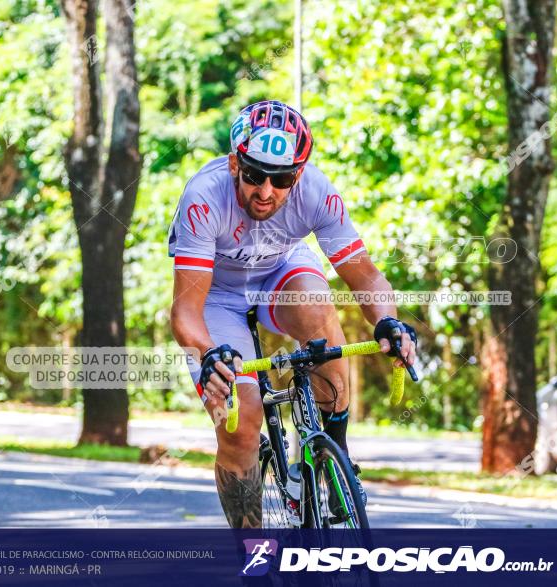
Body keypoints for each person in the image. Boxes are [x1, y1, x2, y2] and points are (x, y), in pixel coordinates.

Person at [168, 100, 418, 528]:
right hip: (218, 296)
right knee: (241, 426)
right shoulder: (203, 197)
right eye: (253, 176)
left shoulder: (317, 192)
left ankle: (333, 454)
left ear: (297, 174)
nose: (265, 192)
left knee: (317, 305)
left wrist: (387, 322)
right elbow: (185, 310)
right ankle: (255, 556)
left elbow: (367, 278)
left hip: (279, 274)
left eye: (280, 179)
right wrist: (208, 354)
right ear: (234, 164)